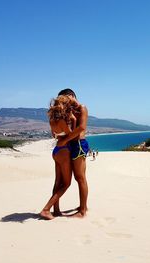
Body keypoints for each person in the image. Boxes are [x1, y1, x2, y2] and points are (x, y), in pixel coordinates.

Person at [40, 95, 75, 220]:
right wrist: (73, 120)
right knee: (66, 184)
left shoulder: (52, 121)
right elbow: (72, 135)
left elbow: (54, 135)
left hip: (56, 151)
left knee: (57, 182)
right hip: (64, 152)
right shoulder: (62, 121)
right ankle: (46, 209)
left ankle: (56, 210)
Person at [57, 88, 89, 218]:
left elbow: (82, 127)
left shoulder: (82, 107)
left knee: (80, 178)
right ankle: (84, 206)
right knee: (78, 178)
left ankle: (82, 212)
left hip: (79, 145)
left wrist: (65, 141)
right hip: (72, 144)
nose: (62, 102)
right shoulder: (69, 110)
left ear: (71, 96)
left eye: (64, 99)